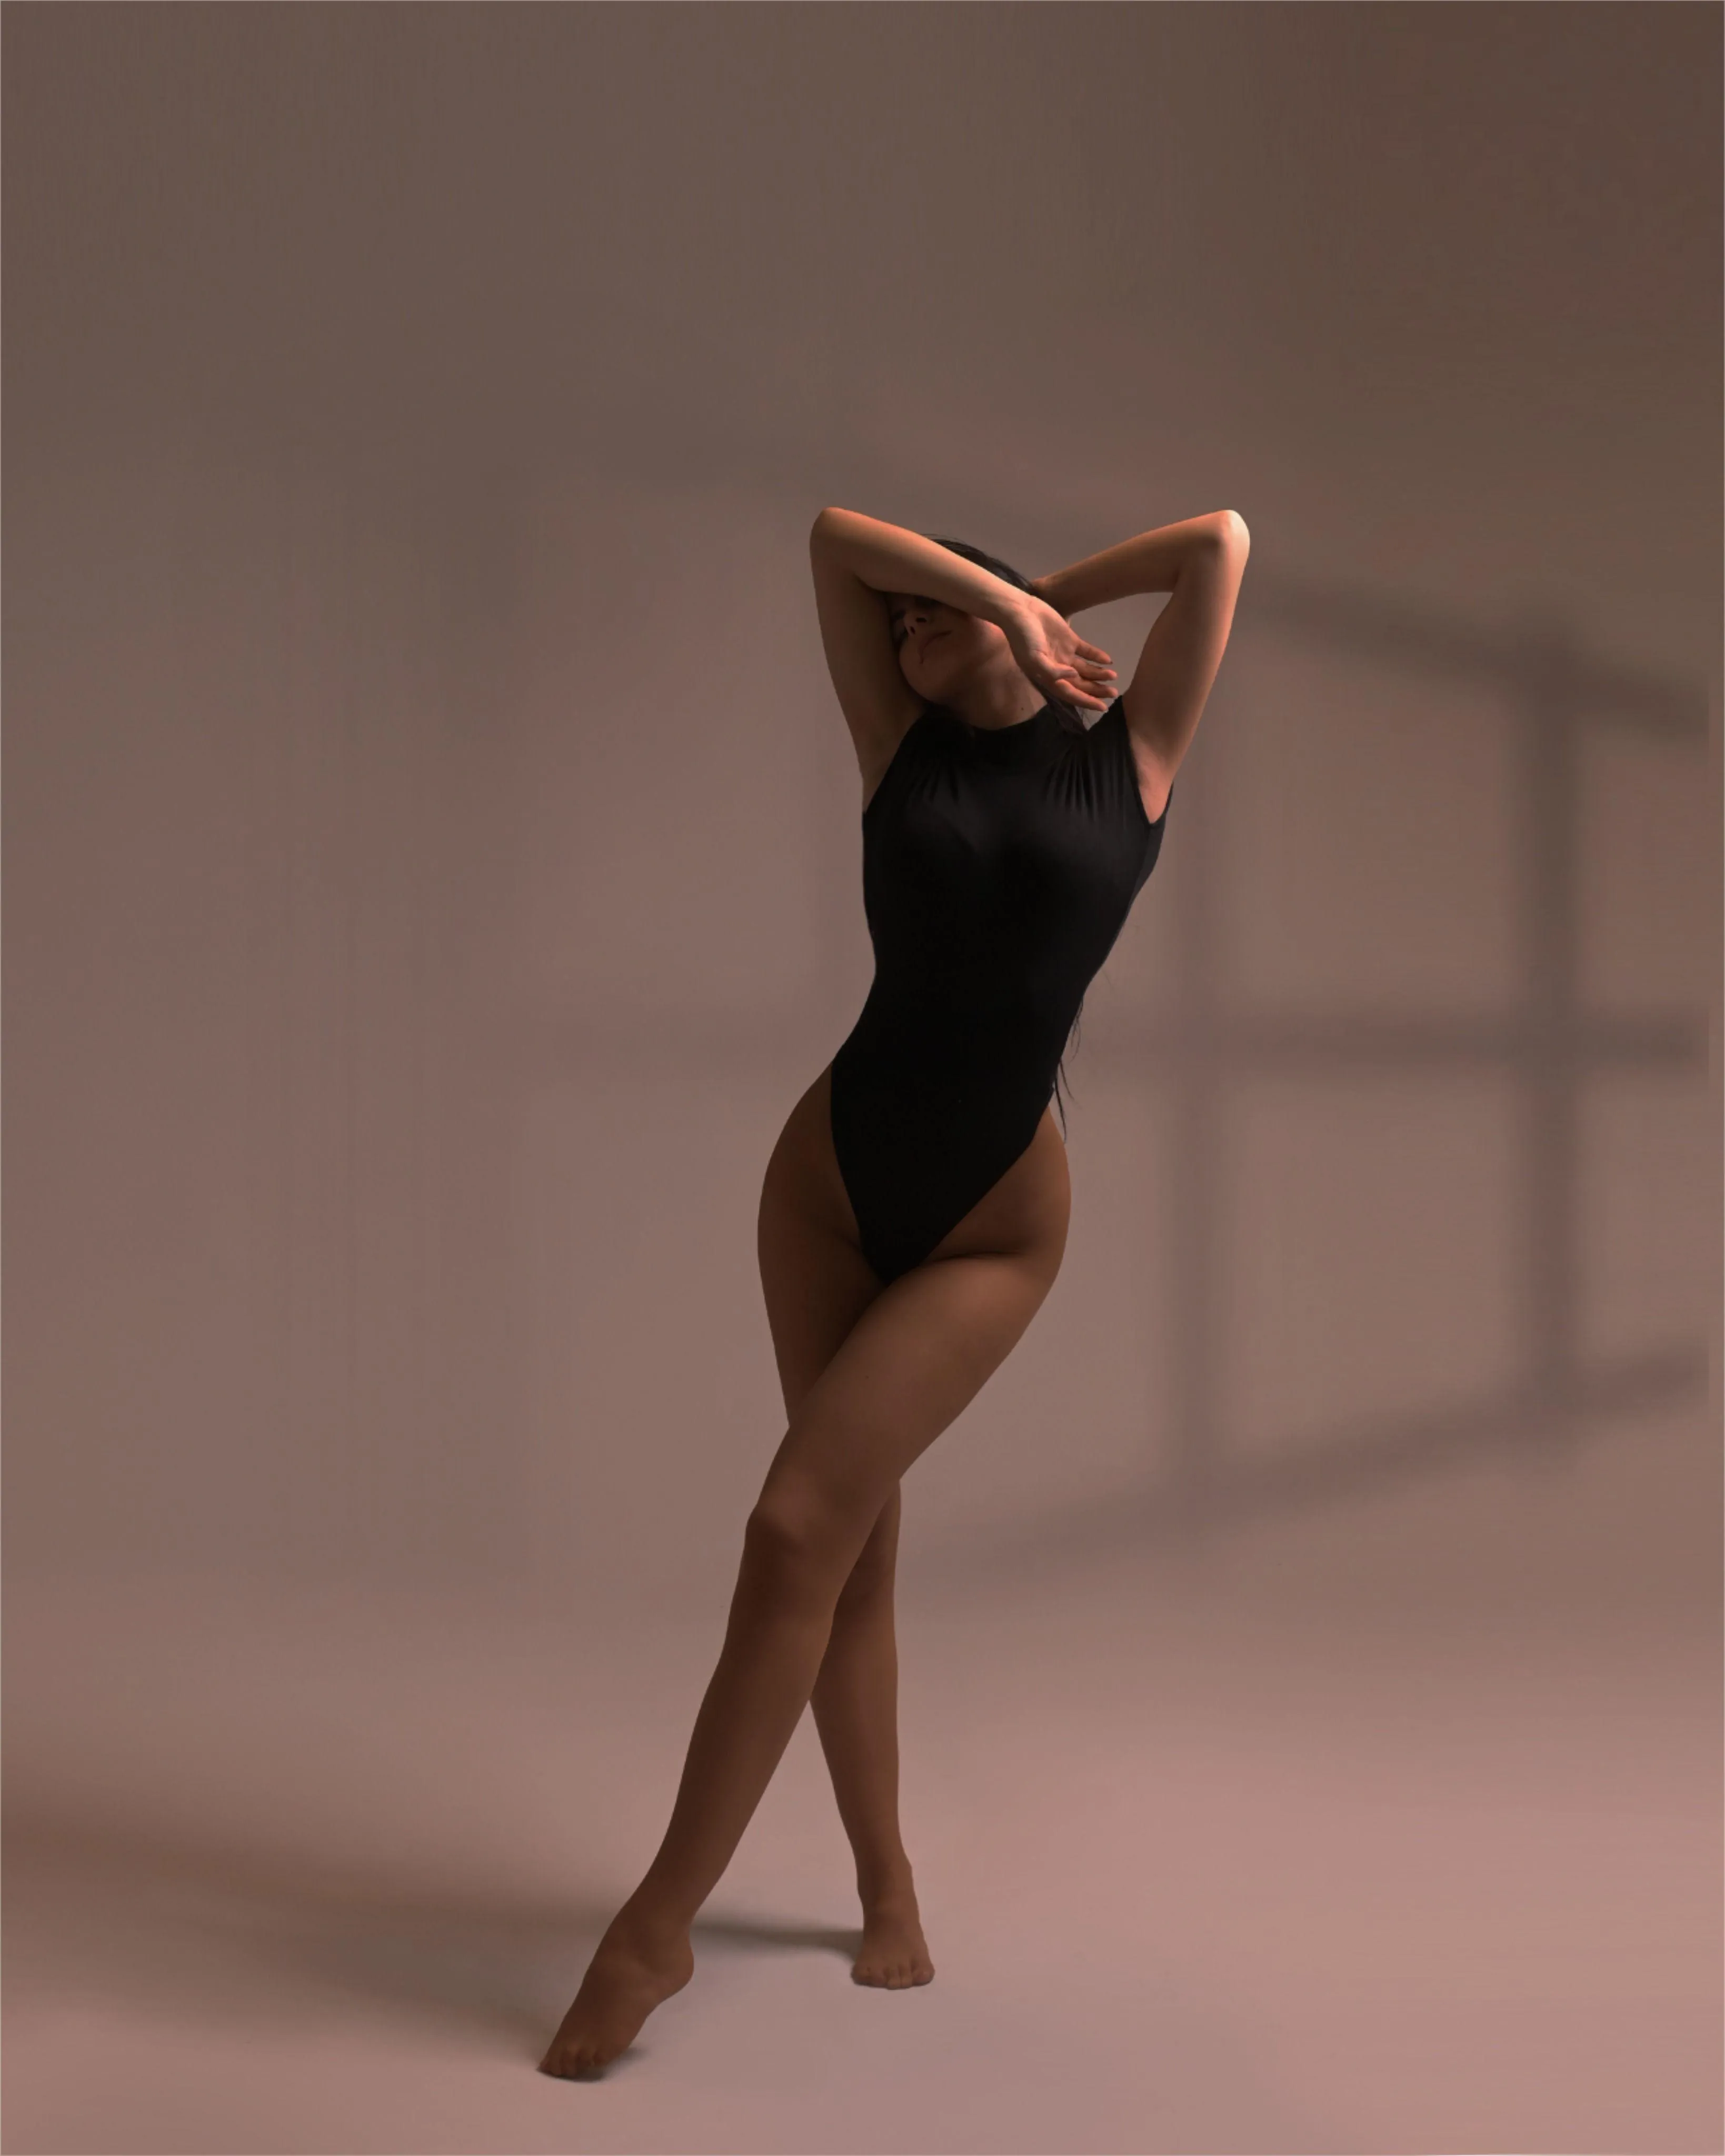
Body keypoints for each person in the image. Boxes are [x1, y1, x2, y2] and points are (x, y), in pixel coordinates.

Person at [540, 502, 1250, 2079]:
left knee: (793, 1527)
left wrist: (1029, 601)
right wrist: (973, 602)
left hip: (993, 1225)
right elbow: (828, 542)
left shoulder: (1128, 761)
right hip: (826, 1186)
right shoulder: (897, 750)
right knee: (845, 1550)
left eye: (936, 610)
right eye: (902, 620)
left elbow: (1217, 544)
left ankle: (653, 1930)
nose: (907, 628)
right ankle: (885, 1879)